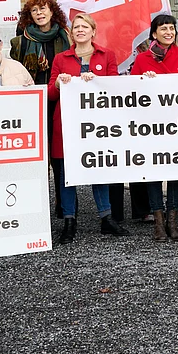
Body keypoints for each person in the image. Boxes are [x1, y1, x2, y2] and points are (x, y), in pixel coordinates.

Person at [48, 13, 127, 243]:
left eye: (85, 27)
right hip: (67, 124)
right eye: (76, 27)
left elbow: (114, 88)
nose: (80, 30)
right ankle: (70, 220)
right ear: (71, 33)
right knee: (65, 174)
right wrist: (58, 83)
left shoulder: (107, 55)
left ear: (93, 31)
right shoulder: (61, 58)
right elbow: (52, 94)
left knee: (98, 168)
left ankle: (106, 218)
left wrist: (98, 82)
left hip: (97, 125)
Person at [131, 13, 178, 242]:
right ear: (154, 34)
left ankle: (172, 220)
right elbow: (131, 93)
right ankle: (158, 222)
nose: (168, 32)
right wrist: (143, 81)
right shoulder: (142, 60)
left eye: (171, 28)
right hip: (151, 126)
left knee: (175, 172)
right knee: (153, 173)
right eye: (163, 29)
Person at [10, 0, 71, 86]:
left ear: (51, 12)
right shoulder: (19, 42)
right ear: (30, 15)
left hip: (60, 91)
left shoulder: (66, 37)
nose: (39, 13)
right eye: (34, 10)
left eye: (42, 8)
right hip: (33, 93)